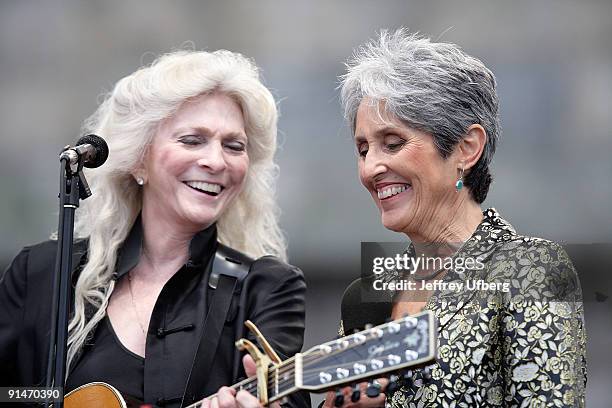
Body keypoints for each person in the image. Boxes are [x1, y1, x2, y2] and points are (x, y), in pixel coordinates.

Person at [0, 49, 309, 408]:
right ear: (138, 160)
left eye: (234, 146)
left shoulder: (266, 290)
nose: (215, 161)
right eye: (192, 140)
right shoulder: (40, 275)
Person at [324, 29, 587, 407]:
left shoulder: (528, 270)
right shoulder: (369, 295)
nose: (371, 168)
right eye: (362, 149)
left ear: (466, 148)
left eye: (393, 143)